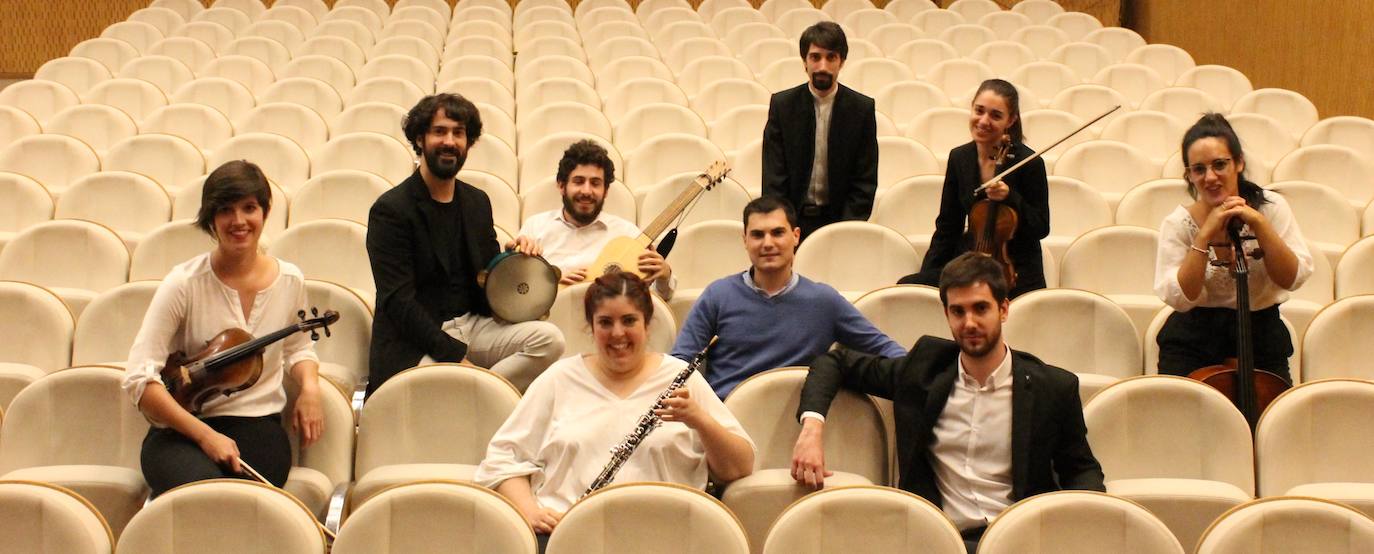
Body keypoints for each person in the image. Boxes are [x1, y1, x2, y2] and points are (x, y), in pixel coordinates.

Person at [792, 252, 1104, 552]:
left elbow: (1081, 469)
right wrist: (812, 429)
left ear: (1004, 309)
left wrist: (1082, 525)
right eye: (958, 311)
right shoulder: (922, 373)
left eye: (981, 308)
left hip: (1018, 541)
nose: (969, 323)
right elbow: (834, 362)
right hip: (936, 540)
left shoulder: (1053, 388)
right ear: (947, 315)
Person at [475, 272, 755, 549]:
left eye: (629, 320)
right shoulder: (558, 379)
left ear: (647, 324)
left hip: (667, 538)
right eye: (605, 322)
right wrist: (531, 512)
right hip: (573, 538)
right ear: (591, 327)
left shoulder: (681, 377)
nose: (617, 333)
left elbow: (739, 467)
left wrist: (700, 420)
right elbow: (503, 460)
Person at [123, 160, 325, 497]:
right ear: (211, 218)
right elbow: (139, 378)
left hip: (259, 426)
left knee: (237, 504)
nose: (239, 221)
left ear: (266, 211)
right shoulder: (184, 283)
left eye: (249, 208)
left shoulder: (290, 280)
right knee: (202, 497)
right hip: (181, 430)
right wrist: (204, 435)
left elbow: (298, 347)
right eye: (226, 210)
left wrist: (310, 388)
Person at [366, 93, 564, 395]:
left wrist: (512, 261)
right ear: (420, 139)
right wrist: (457, 357)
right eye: (439, 131)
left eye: (459, 133)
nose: (450, 141)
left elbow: (488, 282)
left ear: (468, 143)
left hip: (474, 325)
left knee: (550, 340)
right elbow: (399, 304)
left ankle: (481, 393)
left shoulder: (477, 202)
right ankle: (478, 393)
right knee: (442, 390)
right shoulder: (391, 210)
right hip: (415, 337)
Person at [672, 196, 906, 399]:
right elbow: (679, 362)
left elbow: (886, 350)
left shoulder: (824, 301)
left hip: (795, 425)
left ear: (795, 236)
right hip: (725, 423)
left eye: (777, 233)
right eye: (757, 235)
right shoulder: (717, 295)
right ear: (744, 240)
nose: (768, 243)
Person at [1153, 113, 1313, 380]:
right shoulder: (1177, 224)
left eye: (1219, 165)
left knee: (1270, 418)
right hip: (1193, 341)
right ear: (1189, 175)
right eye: (1199, 169)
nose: (1210, 177)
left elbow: (1292, 278)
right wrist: (1204, 236)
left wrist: (1259, 224)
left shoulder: (1271, 209)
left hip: (1261, 334)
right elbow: (1182, 297)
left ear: (1238, 163)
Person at [899, 79, 1050, 299]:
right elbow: (947, 227)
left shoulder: (1029, 162)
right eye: (979, 111)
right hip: (972, 265)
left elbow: (1041, 227)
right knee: (909, 288)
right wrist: (928, 276)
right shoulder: (959, 157)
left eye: (995, 115)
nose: (983, 121)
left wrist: (1011, 197)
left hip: (1017, 271)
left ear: (1011, 120)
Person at [762, 21, 878, 240]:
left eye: (831, 57)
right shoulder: (782, 105)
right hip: (791, 221)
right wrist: (783, 226)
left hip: (841, 221)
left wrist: (845, 229)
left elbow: (865, 180)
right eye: (815, 57)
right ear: (804, 62)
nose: (823, 66)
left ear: (842, 62)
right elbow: (774, 177)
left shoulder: (862, 109)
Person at [517, 139, 675, 298]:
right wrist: (552, 285)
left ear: (605, 190)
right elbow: (517, 289)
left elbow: (661, 297)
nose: (586, 191)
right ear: (561, 185)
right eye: (578, 181)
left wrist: (664, 275)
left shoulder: (628, 234)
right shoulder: (535, 227)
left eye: (595, 183)